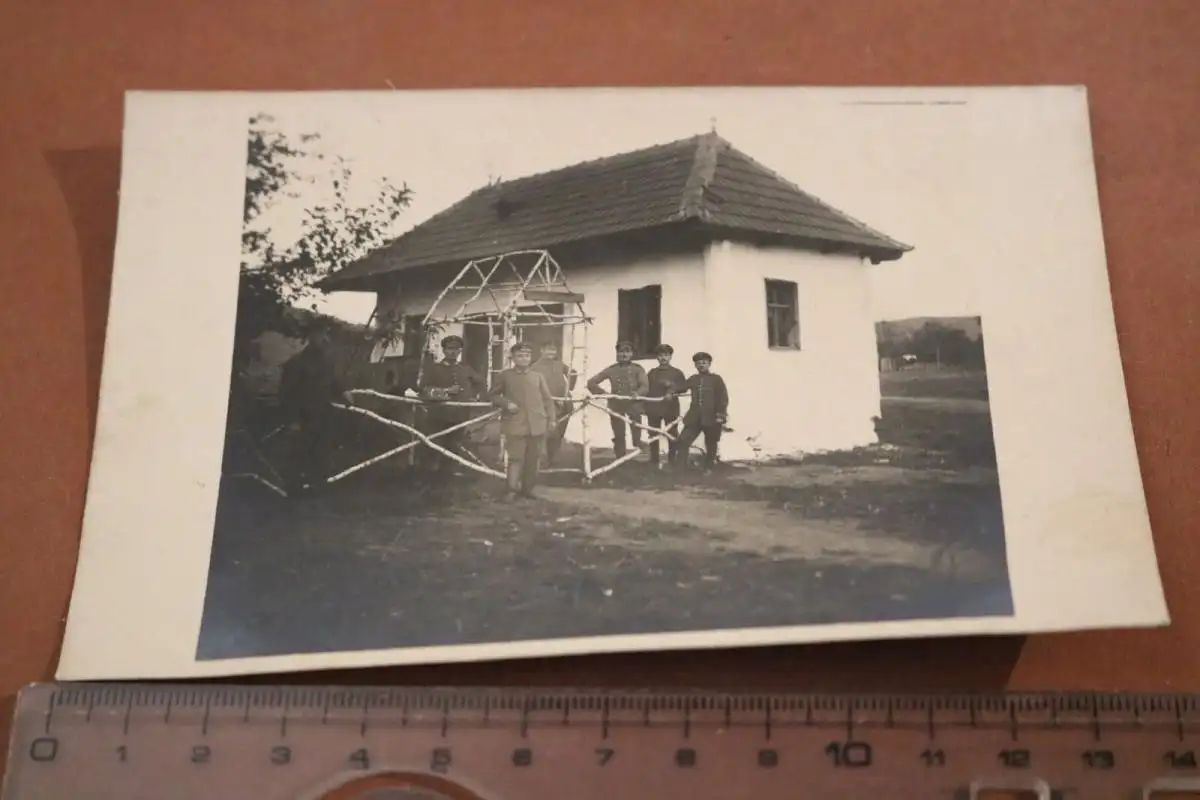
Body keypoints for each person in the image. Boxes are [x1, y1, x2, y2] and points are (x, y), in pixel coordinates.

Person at [278, 318, 355, 495]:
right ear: (311, 336)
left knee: (321, 456)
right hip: (303, 418)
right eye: (321, 334)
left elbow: (335, 382)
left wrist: (345, 393)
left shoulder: (326, 362)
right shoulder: (296, 363)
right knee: (300, 455)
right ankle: (294, 493)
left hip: (323, 416)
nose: (325, 339)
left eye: (326, 335)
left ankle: (317, 493)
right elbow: (286, 395)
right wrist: (293, 421)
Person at [489, 341, 558, 500]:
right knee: (516, 458)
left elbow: (547, 400)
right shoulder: (505, 375)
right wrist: (507, 404)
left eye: (526, 355)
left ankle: (528, 489)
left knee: (533, 459)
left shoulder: (537, 376)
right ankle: (511, 490)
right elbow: (492, 395)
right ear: (512, 358)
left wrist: (552, 419)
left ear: (531, 358)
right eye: (519, 356)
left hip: (537, 424)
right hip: (515, 423)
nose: (523, 359)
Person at [417, 334, 486, 474]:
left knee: (455, 443)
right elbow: (423, 389)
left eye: (457, 349)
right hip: (439, 414)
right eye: (449, 349)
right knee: (435, 443)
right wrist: (444, 391)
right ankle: (430, 473)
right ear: (443, 350)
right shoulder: (434, 368)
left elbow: (480, 382)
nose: (453, 352)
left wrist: (475, 396)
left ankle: (451, 472)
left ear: (460, 351)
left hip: (460, 415)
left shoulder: (465, 368)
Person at [585, 341, 649, 458]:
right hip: (616, 404)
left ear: (632, 354)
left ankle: (637, 441)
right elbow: (591, 383)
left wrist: (637, 393)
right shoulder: (611, 369)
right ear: (617, 353)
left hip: (633, 403)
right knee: (619, 432)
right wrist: (604, 394)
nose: (624, 355)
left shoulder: (638, 369)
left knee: (636, 427)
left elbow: (645, 385)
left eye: (627, 352)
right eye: (621, 352)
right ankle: (620, 457)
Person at [672, 351, 729, 473]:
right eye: (698, 363)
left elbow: (722, 398)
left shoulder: (716, 379)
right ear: (695, 365)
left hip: (712, 417)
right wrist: (670, 389)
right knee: (683, 440)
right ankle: (680, 468)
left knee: (711, 444)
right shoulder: (693, 379)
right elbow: (681, 387)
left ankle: (709, 468)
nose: (701, 365)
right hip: (694, 417)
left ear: (709, 364)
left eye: (704, 362)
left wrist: (720, 414)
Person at [531, 340, 576, 464]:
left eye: (554, 350)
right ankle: (543, 458)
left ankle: (552, 457)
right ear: (542, 350)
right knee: (547, 432)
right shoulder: (534, 367)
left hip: (564, 403)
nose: (551, 352)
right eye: (548, 349)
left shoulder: (559, 364)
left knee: (559, 432)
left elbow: (573, 373)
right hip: (546, 404)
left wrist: (568, 390)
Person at [645, 343, 687, 468]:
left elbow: (684, 387)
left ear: (670, 357)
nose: (663, 358)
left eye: (666, 355)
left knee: (672, 433)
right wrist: (645, 406)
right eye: (660, 355)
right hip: (654, 407)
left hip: (671, 408)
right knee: (653, 433)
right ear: (657, 357)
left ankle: (672, 460)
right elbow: (646, 388)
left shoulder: (677, 372)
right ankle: (654, 460)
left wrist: (673, 388)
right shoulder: (652, 373)